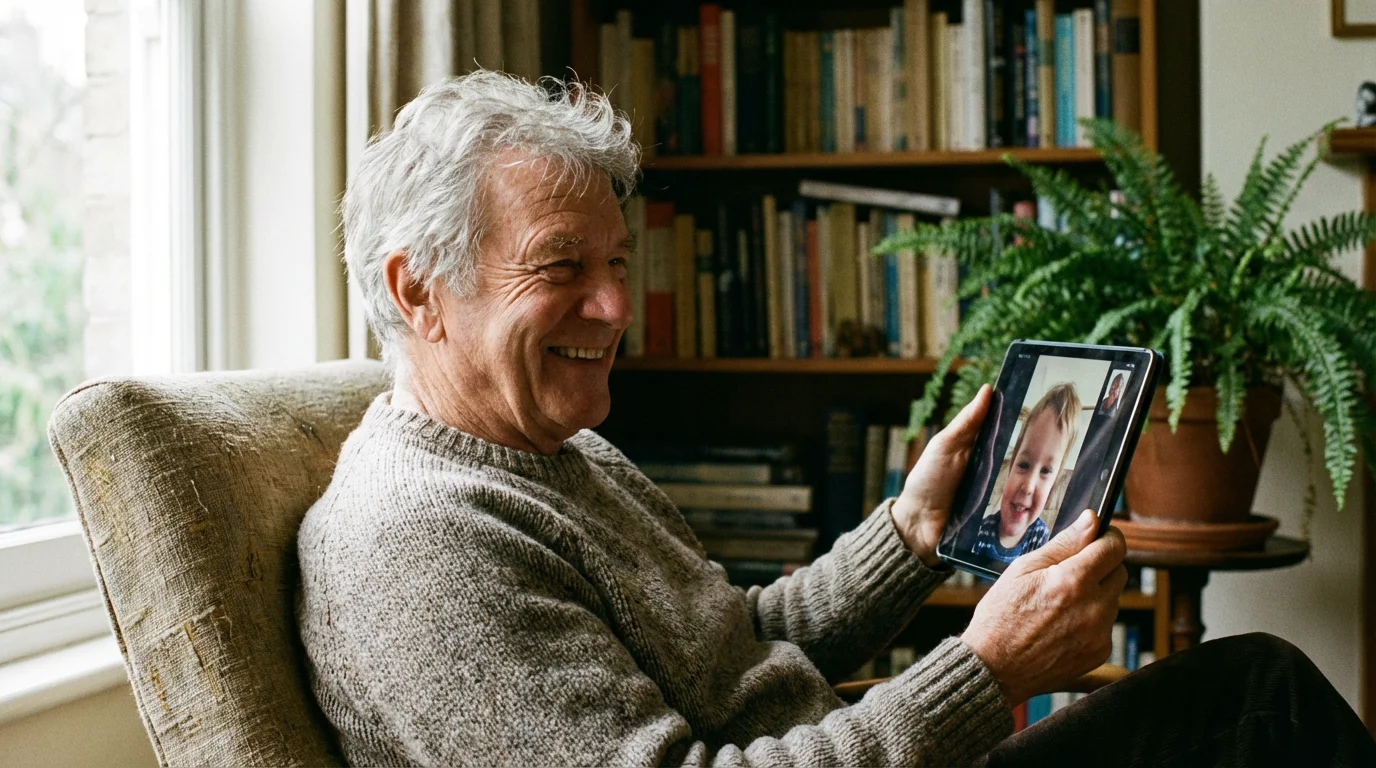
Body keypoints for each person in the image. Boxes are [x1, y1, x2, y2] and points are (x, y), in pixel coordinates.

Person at [296, 70, 1375, 767]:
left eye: (618, 264)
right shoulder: (418, 545)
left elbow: (732, 650)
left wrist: (907, 535)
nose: (617, 308)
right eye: (561, 269)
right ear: (418, 289)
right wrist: (984, 672)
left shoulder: (554, 452)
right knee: (1254, 706)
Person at [969, 383, 1079, 564]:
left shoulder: (1043, 543)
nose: (1028, 487)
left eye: (1045, 471)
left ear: (1054, 483)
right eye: (1024, 465)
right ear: (1011, 464)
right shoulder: (981, 530)